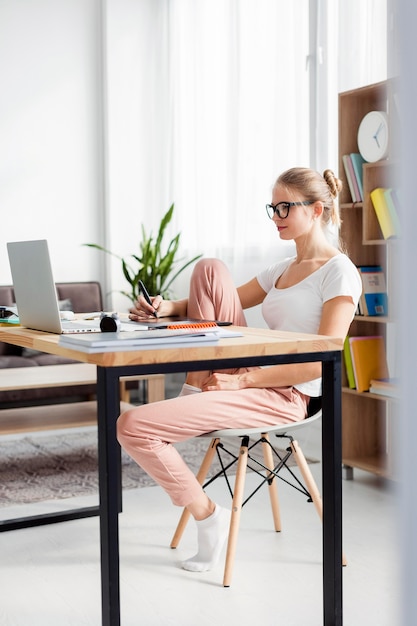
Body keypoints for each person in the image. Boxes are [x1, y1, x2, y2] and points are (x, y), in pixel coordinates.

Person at [117, 167, 362, 574]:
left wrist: (242, 379)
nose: (276, 215)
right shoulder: (281, 269)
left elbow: (324, 356)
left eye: (286, 206)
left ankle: (208, 515)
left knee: (132, 425)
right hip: (253, 370)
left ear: (316, 210)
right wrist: (165, 307)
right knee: (210, 268)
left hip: (290, 393)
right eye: (273, 207)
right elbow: (220, 297)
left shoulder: (339, 272)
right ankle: (196, 385)